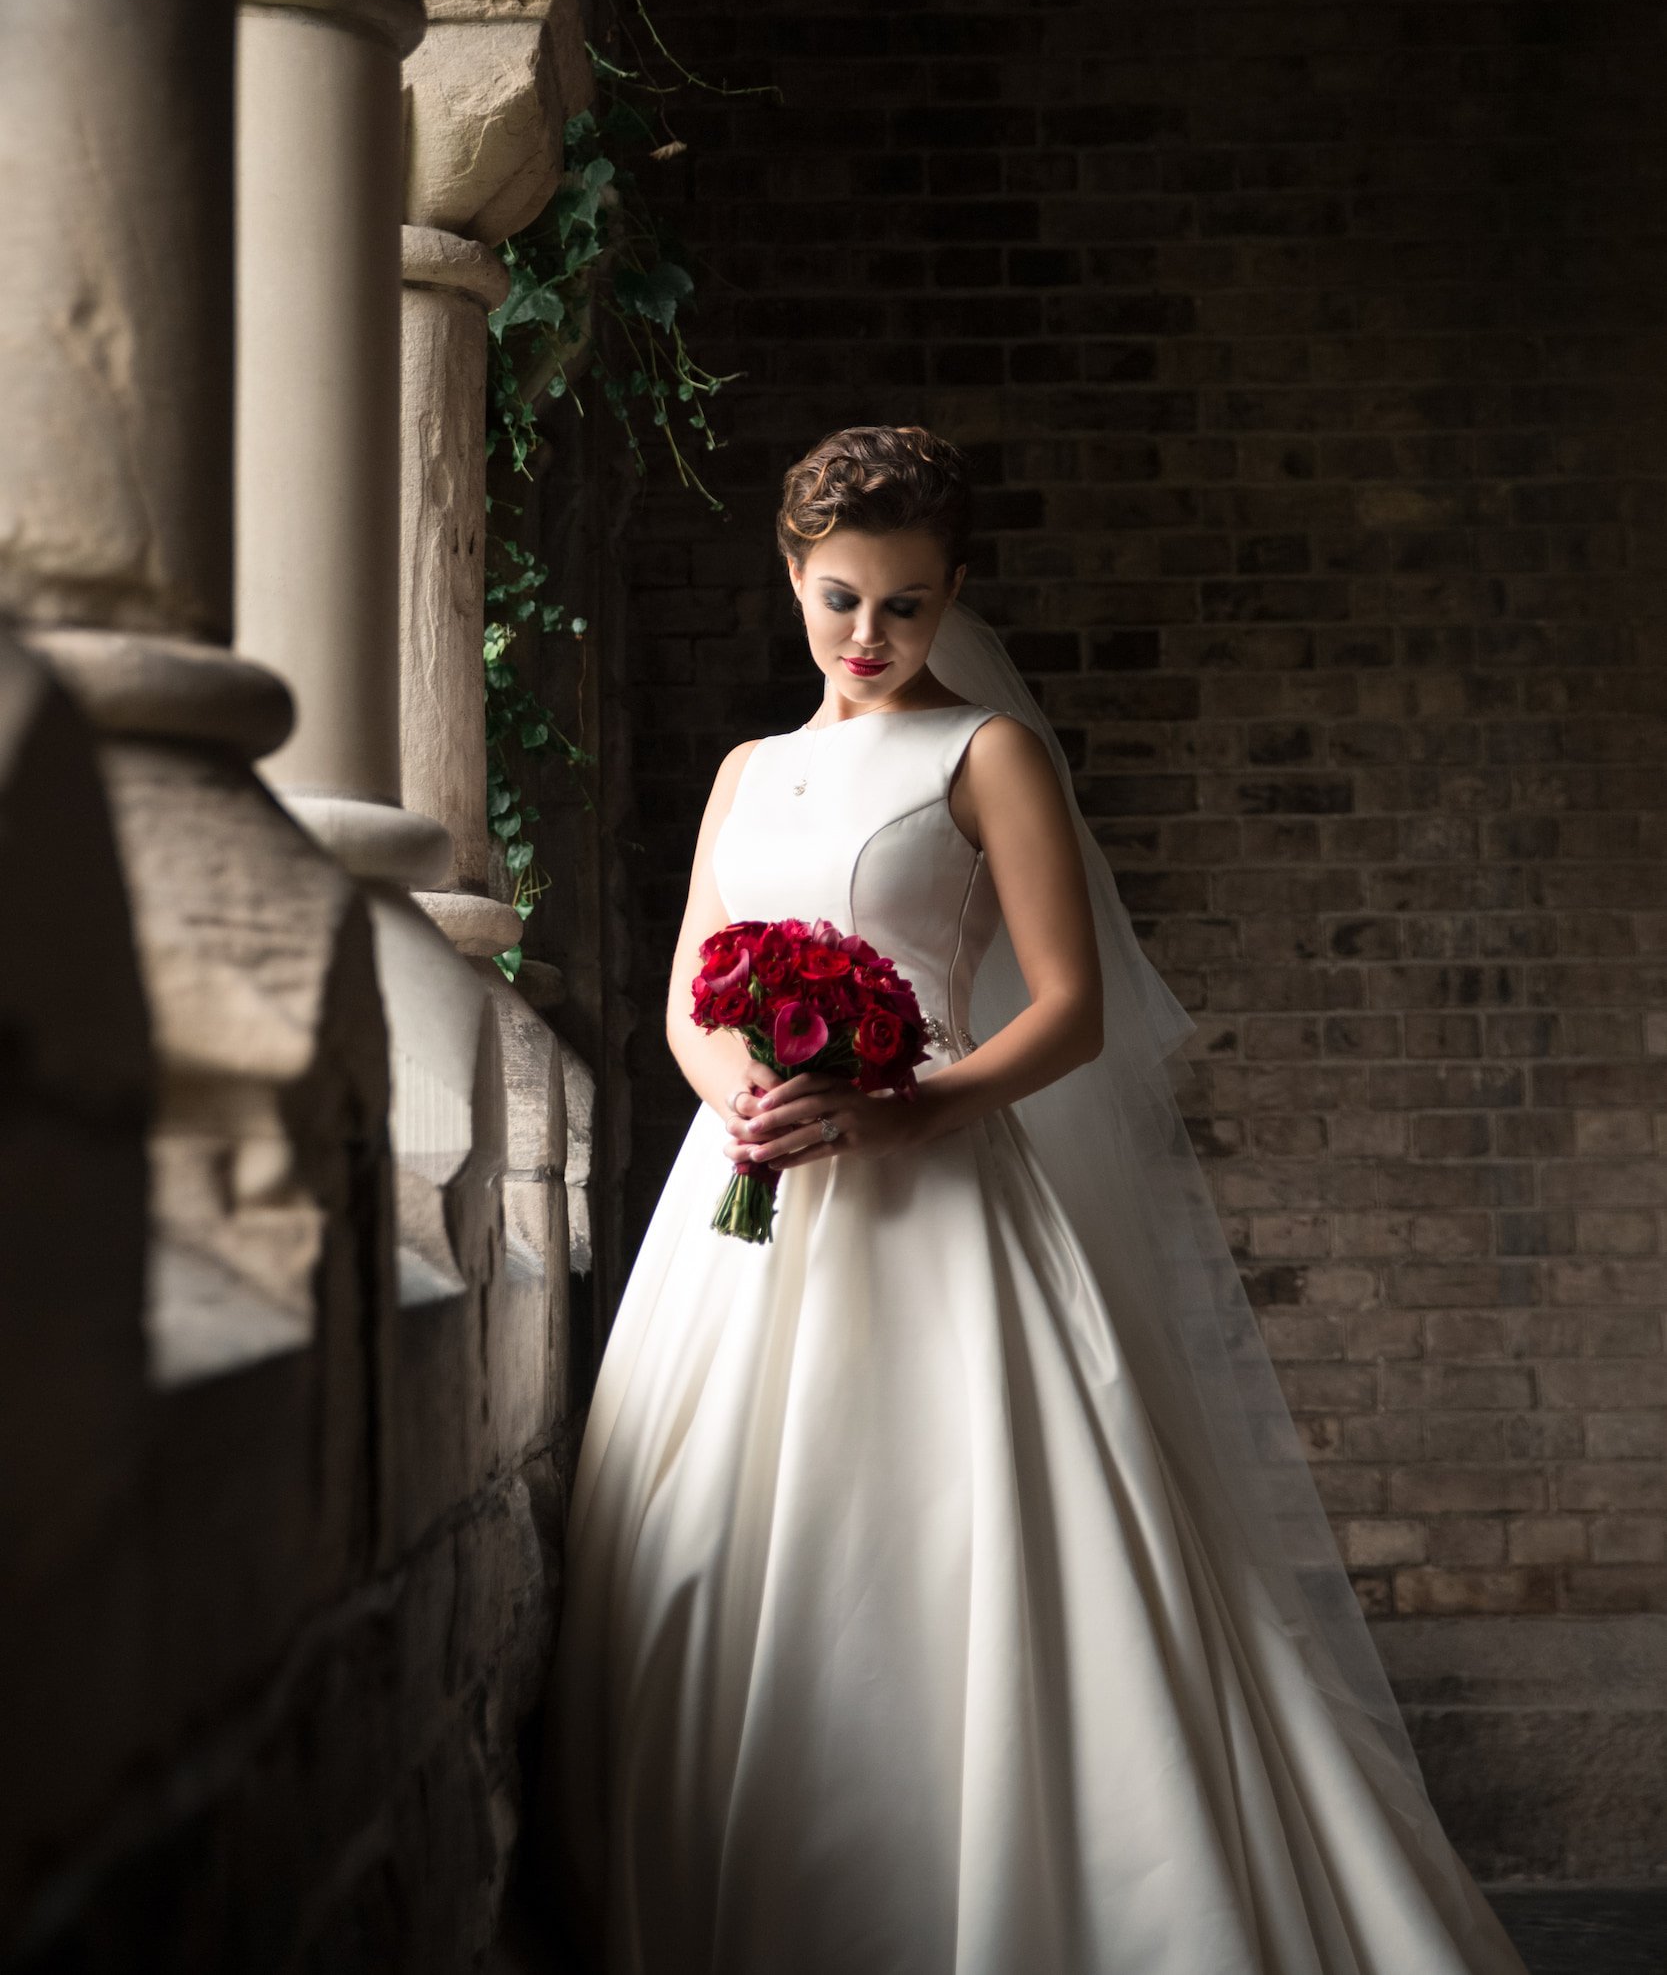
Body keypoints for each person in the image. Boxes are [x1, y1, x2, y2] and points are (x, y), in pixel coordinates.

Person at [546, 424, 1526, 1975]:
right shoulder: (753, 770)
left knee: (959, 1547)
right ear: (791, 579)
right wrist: (733, 1090)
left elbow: (1066, 1009)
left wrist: (899, 1111)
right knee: (707, 1559)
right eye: (842, 600)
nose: (869, 640)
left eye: (909, 607)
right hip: (747, 1187)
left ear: (955, 599)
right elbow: (689, 992)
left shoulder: (984, 753)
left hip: (933, 1188)